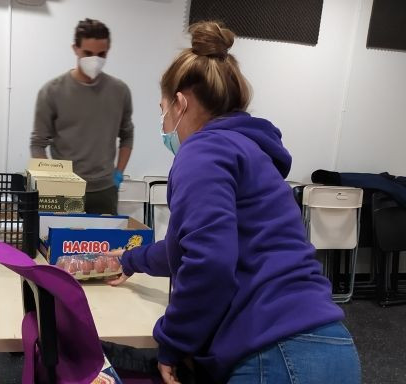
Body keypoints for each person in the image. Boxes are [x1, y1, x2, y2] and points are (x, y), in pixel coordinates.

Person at [107, 21, 361, 384]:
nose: (164, 124)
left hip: (275, 353)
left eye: (162, 110)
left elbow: (208, 261)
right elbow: (190, 246)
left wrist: (173, 341)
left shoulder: (201, 152)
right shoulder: (249, 150)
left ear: (180, 103)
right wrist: (132, 260)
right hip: (326, 342)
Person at [30, 18, 134, 215]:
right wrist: (52, 179)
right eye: (87, 53)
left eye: (101, 54)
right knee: (60, 245)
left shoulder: (119, 91)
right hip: (63, 191)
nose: (94, 60)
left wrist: (118, 173)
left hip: (105, 190)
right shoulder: (52, 91)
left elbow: (127, 134)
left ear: (108, 51)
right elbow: (37, 143)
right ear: (75, 49)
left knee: (104, 245)